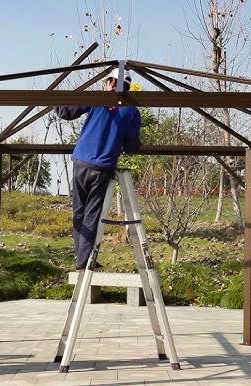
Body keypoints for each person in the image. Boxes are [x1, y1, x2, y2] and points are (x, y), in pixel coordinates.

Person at [54, 68, 142, 270]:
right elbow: (131, 147)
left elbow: (66, 112)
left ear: (110, 82)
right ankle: (84, 260)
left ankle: (82, 258)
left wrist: (54, 99)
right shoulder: (131, 111)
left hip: (81, 163)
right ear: (127, 86)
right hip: (102, 168)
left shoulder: (98, 98)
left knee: (79, 213)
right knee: (91, 214)